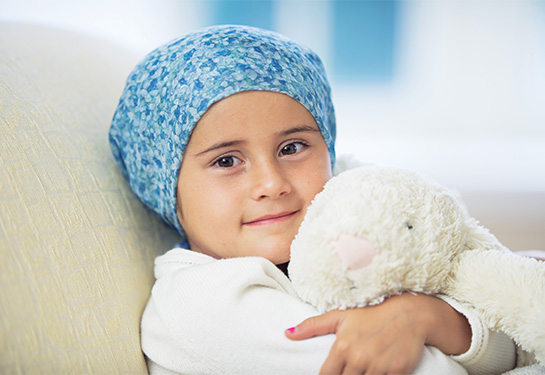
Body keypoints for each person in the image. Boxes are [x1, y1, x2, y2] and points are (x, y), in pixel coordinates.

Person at [109, 25, 516, 375]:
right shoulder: (202, 304)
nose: (271, 184)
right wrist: (429, 319)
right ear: (164, 184)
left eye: (292, 147)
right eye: (227, 160)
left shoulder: (357, 247)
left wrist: (424, 315)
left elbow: (514, 335)